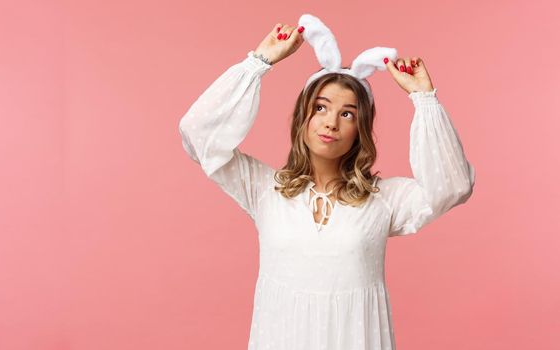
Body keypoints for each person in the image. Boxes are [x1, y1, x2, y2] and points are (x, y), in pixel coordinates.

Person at [177, 15, 476, 350]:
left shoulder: (384, 200)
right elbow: (197, 135)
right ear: (304, 116)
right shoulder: (264, 188)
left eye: (347, 114)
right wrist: (259, 61)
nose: (331, 122)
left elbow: (454, 187)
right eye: (321, 107)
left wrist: (424, 99)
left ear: (359, 131)